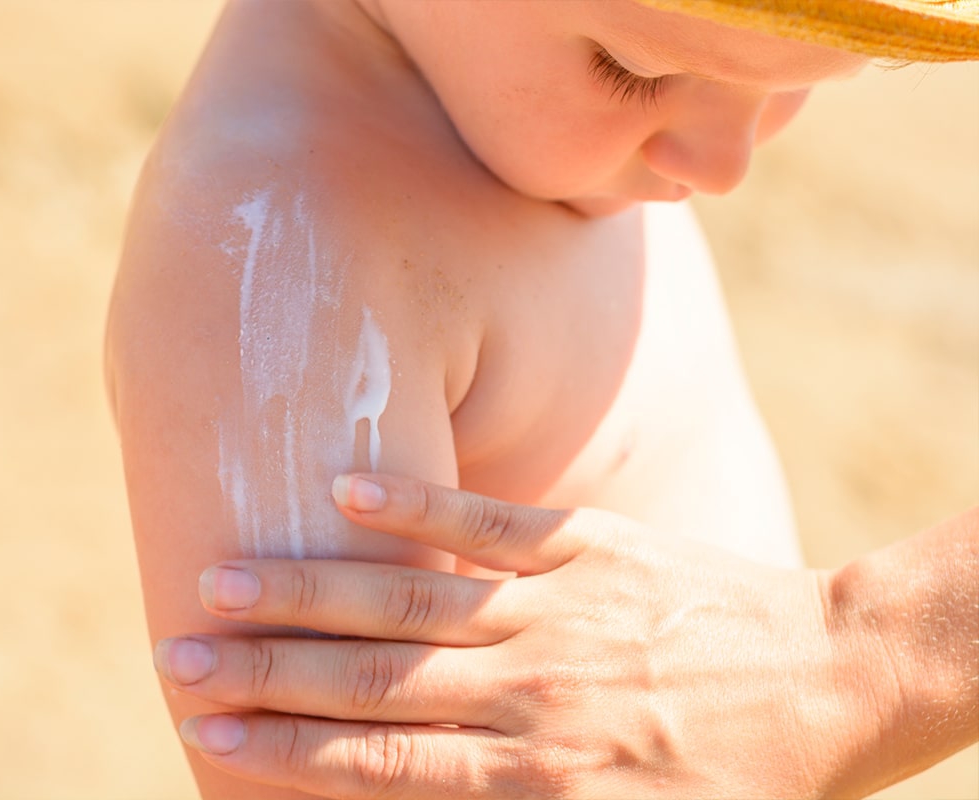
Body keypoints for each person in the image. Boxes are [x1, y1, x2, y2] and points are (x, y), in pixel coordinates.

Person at [104, 0, 979, 797]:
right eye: (631, 73)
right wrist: (853, 655)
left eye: (811, 74)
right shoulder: (288, 270)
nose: (724, 165)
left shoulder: (535, 105)